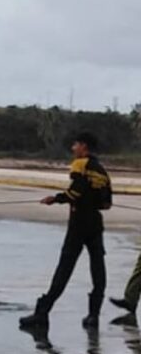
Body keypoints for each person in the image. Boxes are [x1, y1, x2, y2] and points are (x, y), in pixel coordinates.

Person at [19, 131, 112, 330]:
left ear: (84, 147)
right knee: (98, 269)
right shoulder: (102, 170)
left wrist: (56, 199)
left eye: (75, 145)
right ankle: (93, 315)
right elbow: (107, 203)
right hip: (96, 223)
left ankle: (42, 312)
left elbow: (75, 191)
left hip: (79, 223)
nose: (73, 149)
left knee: (65, 267)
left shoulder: (80, 164)